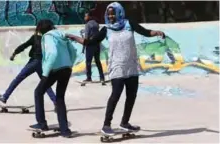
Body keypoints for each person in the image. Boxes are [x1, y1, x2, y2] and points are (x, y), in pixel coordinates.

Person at [67, 2, 165, 135]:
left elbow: (145, 32)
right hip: (117, 67)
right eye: (109, 14)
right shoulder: (106, 29)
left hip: (131, 67)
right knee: (115, 96)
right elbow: (90, 42)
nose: (111, 16)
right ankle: (106, 125)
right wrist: (73, 37)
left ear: (120, 12)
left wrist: (157, 33)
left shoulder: (129, 24)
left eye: (113, 13)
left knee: (131, 96)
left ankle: (125, 123)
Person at [29, 19, 77, 138]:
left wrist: (45, 73)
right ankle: (65, 130)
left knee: (38, 92)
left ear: (41, 29)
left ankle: (41, 123)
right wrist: (69, 64)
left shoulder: (47, 36)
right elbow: (74, 51)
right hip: (66, 68)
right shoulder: (60, 34)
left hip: (55, 69)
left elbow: (53, 53)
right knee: (60, 97)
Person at [0, 20, 57, 109]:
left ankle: (5, 96)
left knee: (18, 78)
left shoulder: (35, 37)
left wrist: (14, 53)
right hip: (43, 63)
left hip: (34, 62)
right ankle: (56, 102)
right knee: (45, 83)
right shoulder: (50, 39)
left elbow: (24, 46)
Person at [83, 11, 105, 82]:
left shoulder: (88, 24)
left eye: (86, 16)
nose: (84, 18)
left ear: (89, 16)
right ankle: (102, 77)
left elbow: (86, 36)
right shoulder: (96, 24)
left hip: (90, 45)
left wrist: (84, 45)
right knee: (97, 61)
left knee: (88, 62)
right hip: (97, 45)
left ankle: (89, 77)